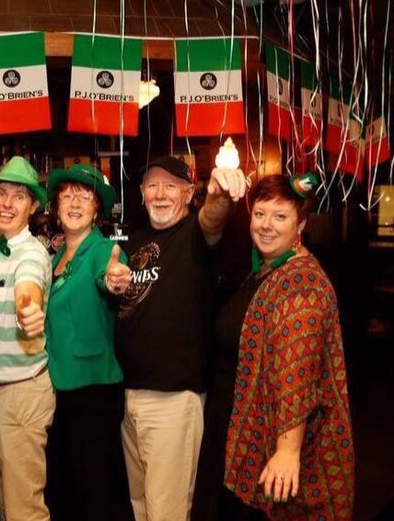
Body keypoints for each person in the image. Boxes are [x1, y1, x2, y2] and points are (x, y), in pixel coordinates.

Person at [195, 174, 354, 520]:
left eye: (280, 216)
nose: (266, 225)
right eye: (260, 214)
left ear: (301, 223)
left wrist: (287, 450)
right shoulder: (265, 269)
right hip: (235, 428)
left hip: (273, 447)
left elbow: (296, 371)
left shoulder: (302, 284)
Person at [117, 155, 247, 521]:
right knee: (141, 507)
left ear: (190, 194)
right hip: (130, 399)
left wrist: (219, 193)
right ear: (141, 193)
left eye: (171, 186)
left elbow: (214, 217)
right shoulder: (133, 242)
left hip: (173, 402)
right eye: (153, 185)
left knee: (167, 513)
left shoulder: (194, 234)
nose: (160, 194)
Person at [42, 164, 132, 521]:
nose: (75, 202)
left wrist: (115, 280)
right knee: (65, 493)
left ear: (97, 210)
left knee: (98, 495)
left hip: (94, 391)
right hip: (57, 391)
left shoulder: (103, 251)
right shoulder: (53, 259)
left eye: (85, 196)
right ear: (56, 206)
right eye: (67, 195)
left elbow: (110, 277)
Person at [0, 156, 53, 521]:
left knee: (24, 509)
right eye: (1, 194)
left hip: (21, 394)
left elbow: (29, 288)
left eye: (18, 197)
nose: (7, 204)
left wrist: (30, 309)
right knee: (3, 500)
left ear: (33, 206)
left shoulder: (31, 252)